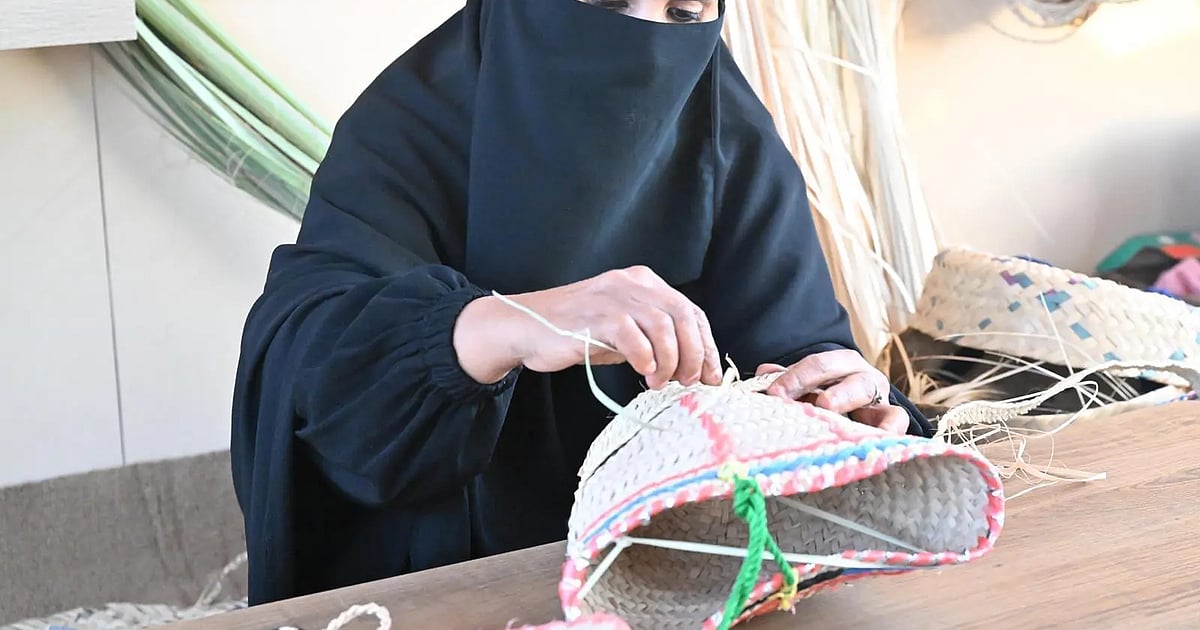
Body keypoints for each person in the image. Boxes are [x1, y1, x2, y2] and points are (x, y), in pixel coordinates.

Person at [230, 0, 933, 607]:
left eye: (685, 12)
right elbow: (308, 363)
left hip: (690, 574)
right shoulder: (409, 125)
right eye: (607, 0)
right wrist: (508, 324)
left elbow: (798, 349)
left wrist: (848, 404)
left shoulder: (728, 135)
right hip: (460, 582)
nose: (647, 43)